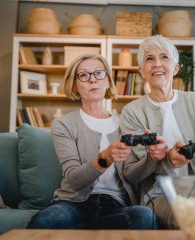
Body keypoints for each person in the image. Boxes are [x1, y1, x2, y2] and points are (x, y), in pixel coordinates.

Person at [27, 53, 158, 229]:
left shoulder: (124, 123)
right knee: (45, 221)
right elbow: (74, 180)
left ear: (108, 81)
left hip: (116, 206)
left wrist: (151, 158)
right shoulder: (63, 124)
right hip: (73, 204)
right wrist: (105, 157)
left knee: (144, 216)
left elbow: (131, 175)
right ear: (74, 86)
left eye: (99, 73)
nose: (92, 80)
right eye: (83, 75)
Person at [120, 35, 195, 228]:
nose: (157, 64)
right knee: (192, 221)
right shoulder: (132, 112)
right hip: (160, 192)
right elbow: (136, 174)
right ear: (141, 71)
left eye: (164, 57)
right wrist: (167, 161)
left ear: (176, 68)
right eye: (149, 59)